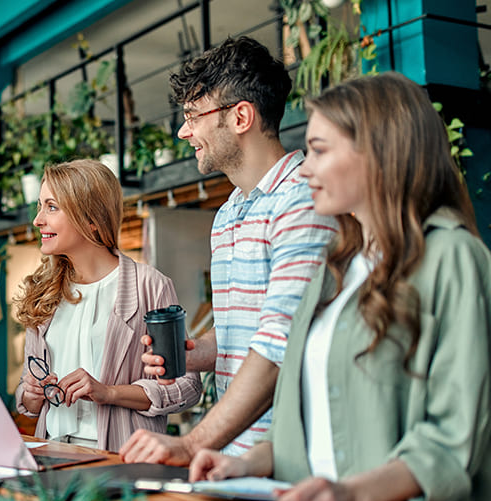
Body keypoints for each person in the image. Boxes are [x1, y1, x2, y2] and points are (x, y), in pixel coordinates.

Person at [189, 72, 491, 501]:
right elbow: (316, 416)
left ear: (378, 152)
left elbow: (456, 434)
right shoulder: (338, 268)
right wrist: (247, 463)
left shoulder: (452, 257)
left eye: (319, 150)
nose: (306, 168)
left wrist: (353, 496)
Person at [120, 36, 337, 464]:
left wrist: (191, 442)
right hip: (234, 457)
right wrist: (199, 351)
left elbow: (280, 345)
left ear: (241, 116)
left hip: (292, 457)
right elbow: (249, 327)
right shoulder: (227, 215)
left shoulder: (302, 199)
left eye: (193, 117)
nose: (184, 132)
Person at [12, 159, 202, 451]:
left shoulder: (149, 285)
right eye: (40, 206)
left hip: (118, 459)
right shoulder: (44, 291)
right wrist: (32, 394)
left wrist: (108, 392)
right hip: (50, 454)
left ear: (91, 219)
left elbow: (186, 387)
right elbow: (27, 397)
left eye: (51, 207)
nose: (38, 220)